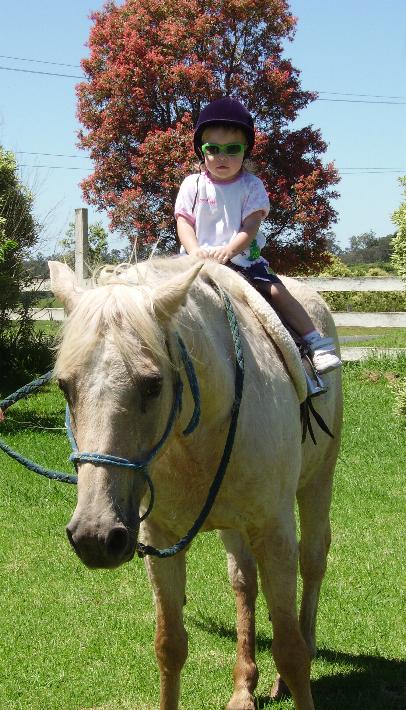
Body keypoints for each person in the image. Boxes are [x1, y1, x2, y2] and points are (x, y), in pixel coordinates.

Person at [174, 96, 341, 377]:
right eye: (213, 148)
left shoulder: (251, 186)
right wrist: (193, 250)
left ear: (245, 151)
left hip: (240, 259)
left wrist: (228, 250)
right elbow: (184, 222)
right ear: (201, 151)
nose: (222, 157)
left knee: (275, 291)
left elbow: (250, 227)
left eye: (232, 149)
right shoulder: (192, 184)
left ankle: (314, 342)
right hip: (195, 261)